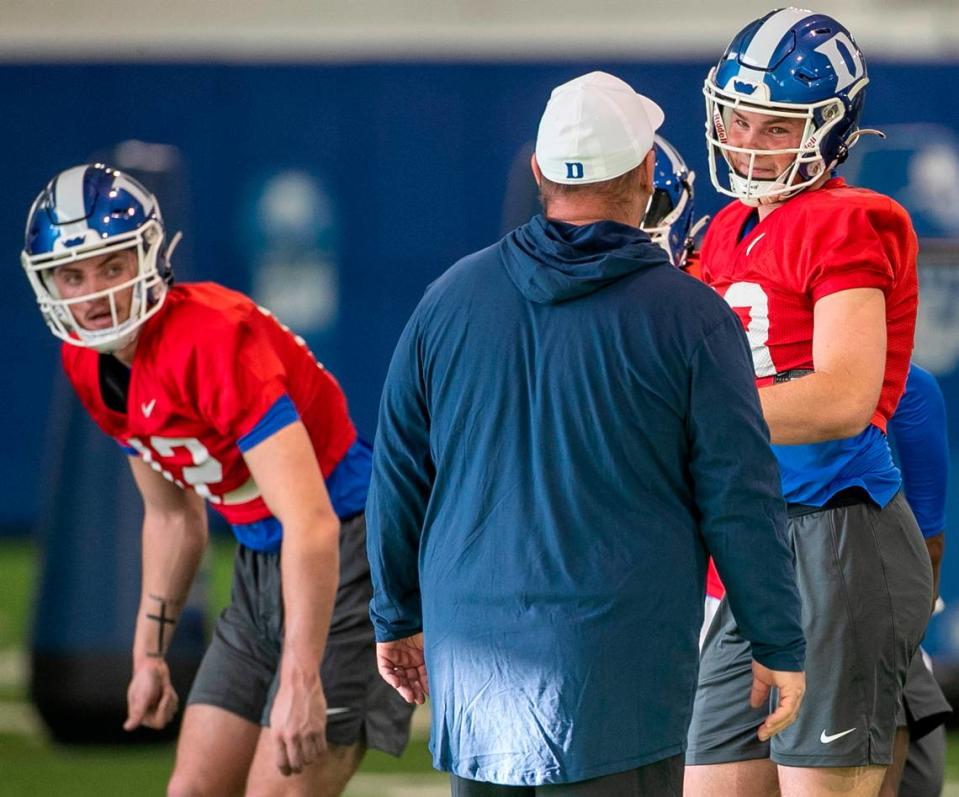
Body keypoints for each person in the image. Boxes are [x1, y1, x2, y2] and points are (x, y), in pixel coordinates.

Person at [365, 70, 806, 796]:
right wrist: (776, 637)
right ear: (643, 173)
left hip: (478, 677)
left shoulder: (446, 300)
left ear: (538, 171)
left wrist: (394, 614)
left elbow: (397, 477)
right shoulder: (693, 317)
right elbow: (739, 497)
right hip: (619, 683)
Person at [20, 163, 413, 797]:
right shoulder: (88, 364)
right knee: (192, 789)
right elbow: (173, 517)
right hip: (266, 565)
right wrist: (149, 651)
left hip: (351, 554)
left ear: (149, 257)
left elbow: (309, 520)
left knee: (278, 789)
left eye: (112, 266)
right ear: (49, 283)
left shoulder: (211, 338)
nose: (94, 294)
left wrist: (301, 675)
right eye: (73, 274)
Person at [683, 9, 934, 797]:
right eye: (738, 118)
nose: (747, 141)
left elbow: (839, 399)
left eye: (774, 126)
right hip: (749, 542)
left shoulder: (852, 217)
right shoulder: (720, 229)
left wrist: (684, 416)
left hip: (835, 530)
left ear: (829, 130)